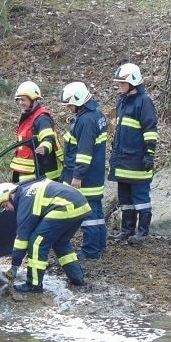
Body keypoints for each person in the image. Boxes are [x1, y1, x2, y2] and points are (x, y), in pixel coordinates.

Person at [0, 179, 90, 292]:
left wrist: (14, 265)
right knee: (60, 242)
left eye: (5, 205)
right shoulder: (28, 193)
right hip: (80, 205)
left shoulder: (25, 202)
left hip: (67, 206)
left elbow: (22, 238)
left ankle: (33, 284)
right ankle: (77, 278)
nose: (8, 209)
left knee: (36, 242)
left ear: (10, 195)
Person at [107, 63, 158, 245]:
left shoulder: (144, 102)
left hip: (137, 160)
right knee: (125, 199)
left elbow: (150, 130)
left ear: (133, 82)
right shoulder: (123, 101)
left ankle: (142, 233)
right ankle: (127, 231)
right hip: (122, 160)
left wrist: (149, 154)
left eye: (122, 83)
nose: (119, 86)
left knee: (141, 199)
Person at [59, 81, 108, 260]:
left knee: (89, 216)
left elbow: (84, 152)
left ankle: (91, 250)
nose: (69, 108)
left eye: (70, 104)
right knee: (97, 213)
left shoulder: (86, 120)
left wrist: (77, 176)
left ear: (79, 100)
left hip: (86, 178)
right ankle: (100, 244)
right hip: (94, 174)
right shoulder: (96, 115)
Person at [10, 81, 64, 183]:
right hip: (28, 173)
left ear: (34, 100)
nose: (21, 103)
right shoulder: (28, 117)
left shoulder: (42, 119)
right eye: (19, 100)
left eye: (23, 100)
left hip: (41, 174)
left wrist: (44, 147)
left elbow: (49, 138)